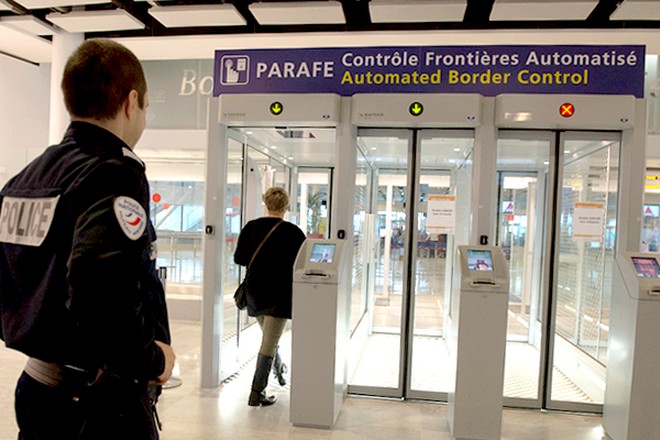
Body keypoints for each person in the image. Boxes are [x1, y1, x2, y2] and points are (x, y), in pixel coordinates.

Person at [0, 38, 175, 439]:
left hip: (37, 386)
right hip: (96, 404)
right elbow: (98, 281)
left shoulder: (26, 179)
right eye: (144, 108)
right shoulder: (113, 173)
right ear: (132, 102)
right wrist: (151, 359)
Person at [234, 187, 306, 407]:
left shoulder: (251, 227)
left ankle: (280, 371)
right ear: (286, 206)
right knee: (270, 341)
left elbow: (239, 258)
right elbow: (301, 265)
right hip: (280, 293)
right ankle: (257, 393)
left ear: (265, 203)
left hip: (255, 291)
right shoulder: (294, 233)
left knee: (269, 338)